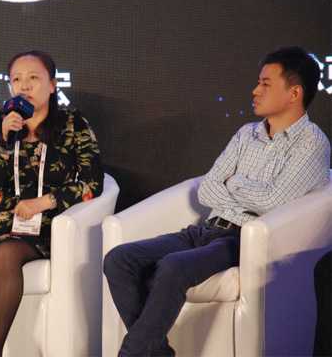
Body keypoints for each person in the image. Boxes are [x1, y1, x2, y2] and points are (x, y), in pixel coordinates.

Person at [104, 46, 330, 357]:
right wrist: (243, 189)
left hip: (242, 240)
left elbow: (274, 202)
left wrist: (233, 181)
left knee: (172, 266)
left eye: (265, 84)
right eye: (258, 82)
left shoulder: (312, 143)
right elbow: (207, 190)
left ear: (294, 93)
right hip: (204, 229)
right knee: (119, 259)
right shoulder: (246, 134)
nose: (255, 91)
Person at [0, 50, 104, 356]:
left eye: (33, 78)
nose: (24, 85)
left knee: (7, 253)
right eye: (16, 79)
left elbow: (93, 182)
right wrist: (4, 141)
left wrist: (45, 202)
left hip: (43, 222)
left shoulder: (72, 124)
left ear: (52, 85)